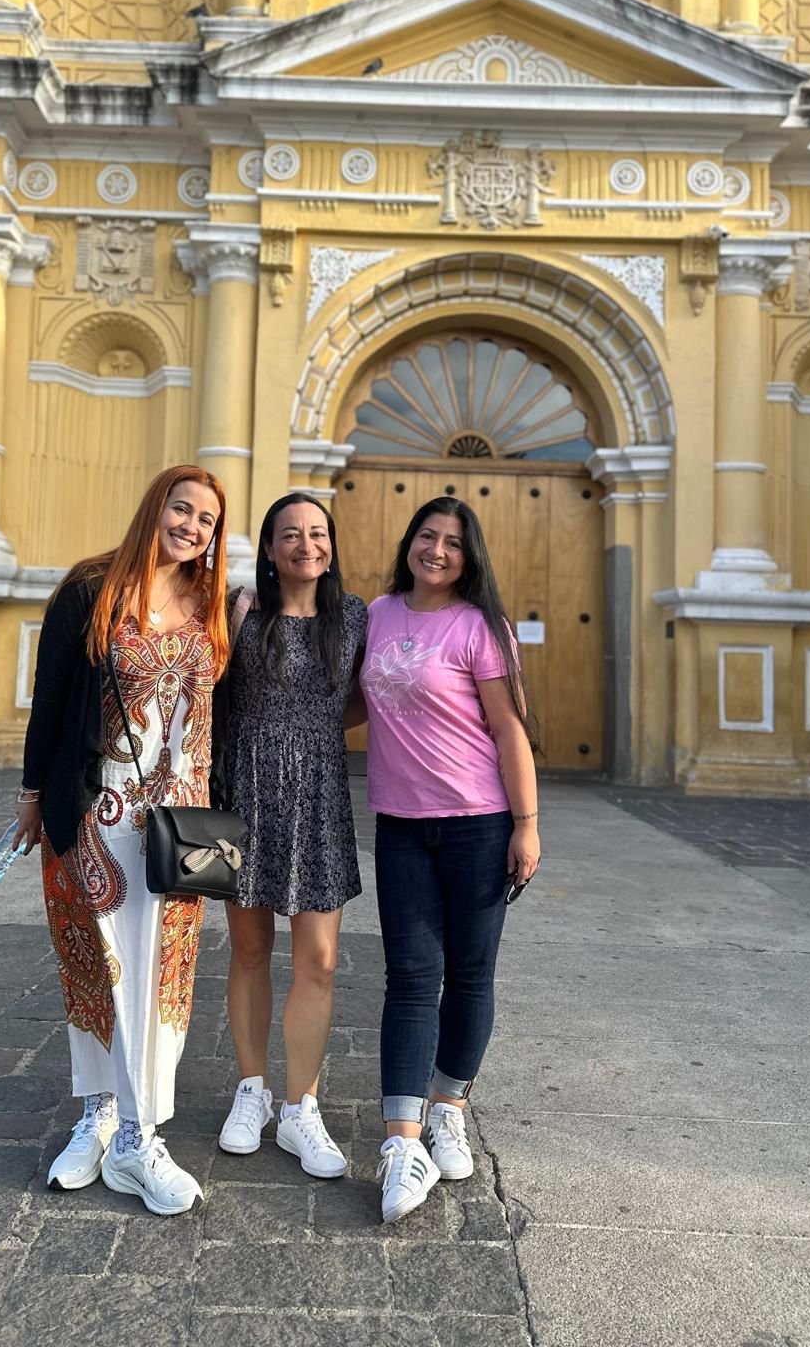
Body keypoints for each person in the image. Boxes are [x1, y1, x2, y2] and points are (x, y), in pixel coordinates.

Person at [12, 464, 229, 1216]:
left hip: (188, 824)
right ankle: (101, 1117)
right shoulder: (90, 589)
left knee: (161, 978)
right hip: (99, 813)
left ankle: (142, 1136)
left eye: (207, 519)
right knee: (98, 971)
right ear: (155, 507)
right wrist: (34, 796)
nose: (193, 526)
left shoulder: (212, 603)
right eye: (183, 508)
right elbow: (51, 700)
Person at [355, 497, 539, 1223]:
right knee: (408, 976)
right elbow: (356, 704)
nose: (437, 550)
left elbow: (509, 730)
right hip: (400, 825)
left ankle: (448, 1104)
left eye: (453, 543)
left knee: (468, 975)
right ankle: (401, 1141)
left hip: (479, 825)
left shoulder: (479, 626)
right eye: (427, 537)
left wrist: (526, 826)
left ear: (470, 556)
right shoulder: (376, 613)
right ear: (409, 542)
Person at [214, 494, 367, 1177]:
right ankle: (253, 1090)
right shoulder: (241, 611)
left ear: (331, 543)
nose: (307, 544)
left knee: (321, 960)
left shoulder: (356, 617)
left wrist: (318, 732)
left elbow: (371, 695)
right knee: (248, 950)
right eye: (291, 535)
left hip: (321, 796)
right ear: (271, 549)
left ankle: (301, 1109)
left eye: (318, 533)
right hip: (243, 793)